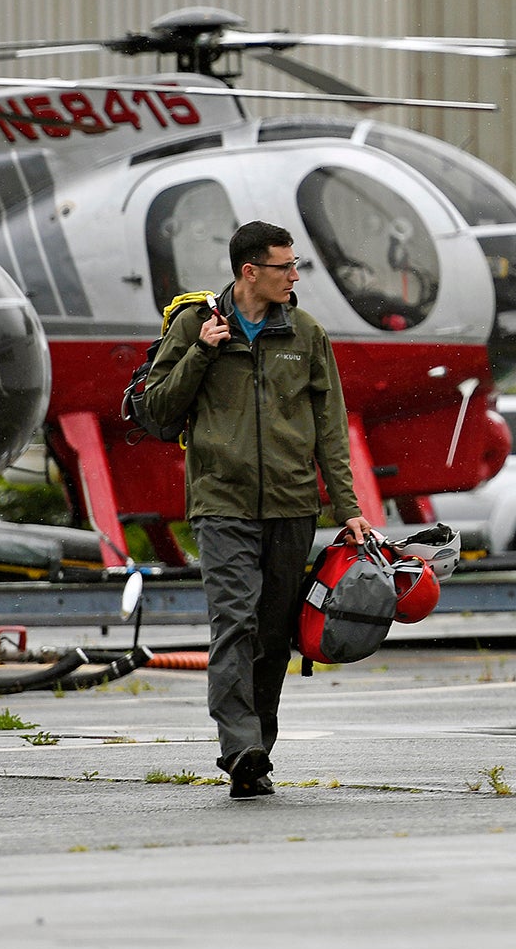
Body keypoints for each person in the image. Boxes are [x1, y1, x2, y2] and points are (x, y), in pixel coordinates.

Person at [139, 220, 369, 801]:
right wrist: (201, 353)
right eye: (285, 267)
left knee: (271, 632)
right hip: (222, 502)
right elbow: (157, 408)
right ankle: (239, 745)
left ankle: (256, 750)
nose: (295, 276)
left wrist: (348, 507)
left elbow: (329, 428)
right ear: (250, 272)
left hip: (292, 505)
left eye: (296, 266)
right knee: (234, 622)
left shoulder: (307, 333)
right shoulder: (196, 324)